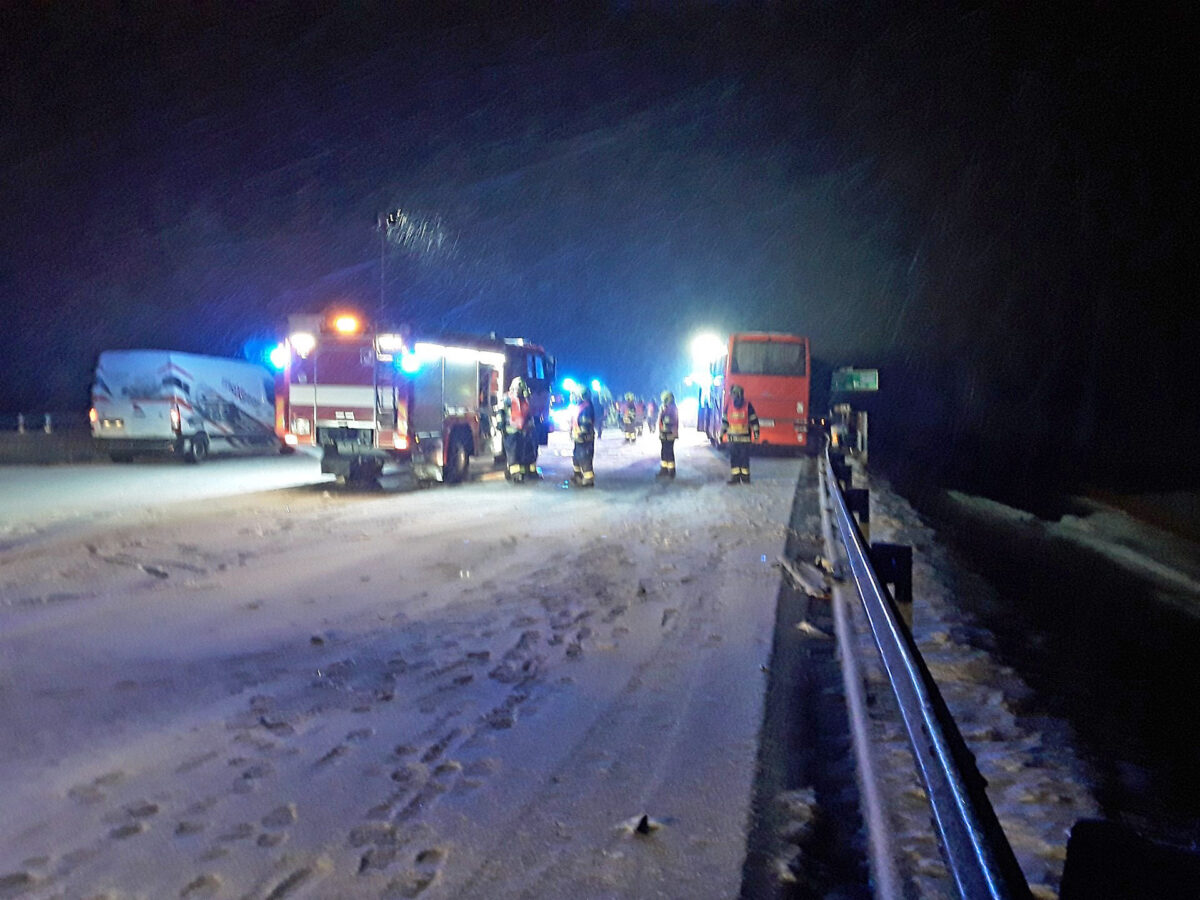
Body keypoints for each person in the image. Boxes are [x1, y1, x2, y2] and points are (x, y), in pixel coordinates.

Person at [721, 384, 760, 484]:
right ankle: (745, 478)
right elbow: (754, 421)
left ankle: (735, 478)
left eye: (733, 394)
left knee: (734, 458)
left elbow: (725, 422)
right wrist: (756, 433)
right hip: (744, 439)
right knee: (744, 458)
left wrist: (721, 434)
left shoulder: (729, 406)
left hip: (733, 439)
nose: (732, 396)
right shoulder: (748, 405)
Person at [502, 376, 533, 483]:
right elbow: (501, 412)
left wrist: (529, 425)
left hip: (521, 431)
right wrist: (501, 425)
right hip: (510, 431)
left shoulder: (524, 401)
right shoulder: (508, 398)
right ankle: (515, 474)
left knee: (520, 452)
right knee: (513, 452)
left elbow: (527, 415)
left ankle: (519, 472)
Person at [570, 385, 596, 487]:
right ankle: (577, 475)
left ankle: (588, 479)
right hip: (578, 438)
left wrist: (582, 433)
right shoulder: (580, 406)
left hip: (584, 438)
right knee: (576, 456)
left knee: (585, 457)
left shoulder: (586, 407)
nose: (574, 397)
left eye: (576, 395)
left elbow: (586, 423)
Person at [656, 390, 678, 479]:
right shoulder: (666, 407)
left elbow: (669, 420)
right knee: (664, 452)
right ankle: (664, 469)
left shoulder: (671, 408)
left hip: (669, 433)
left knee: (669, 451)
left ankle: (671, 471)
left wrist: (664, 429)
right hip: (665, 433)